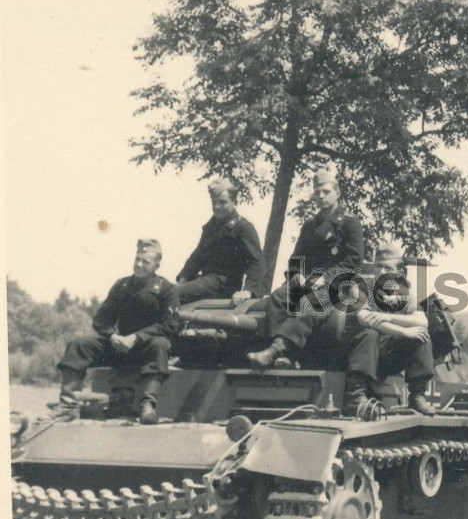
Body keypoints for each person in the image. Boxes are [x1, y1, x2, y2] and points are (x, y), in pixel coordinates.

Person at [246, 168, 364, 368]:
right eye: (317, 192)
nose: (321, 196)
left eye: (326, 192)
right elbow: (297, 257)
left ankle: (276, 350)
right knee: (278, 298)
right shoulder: (310, 225)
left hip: (337, 284)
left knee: (310, 304)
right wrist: (296, 273)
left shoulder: (349, 222)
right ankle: (287, 356)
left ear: (337, 193)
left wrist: (325, 278)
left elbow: (354, 260)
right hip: (307, 281)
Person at [54, 238, 180, 425]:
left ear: (157, 264)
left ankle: (147, 405)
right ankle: (67, 405)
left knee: (161, 344)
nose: (138, 264)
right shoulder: (122, 286)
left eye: (145, 261)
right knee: (79, 344)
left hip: (146, 350)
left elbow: (170, 325)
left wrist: (137, 337)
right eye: (137, 259)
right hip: (119, 347)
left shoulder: (167, 289)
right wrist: (113, 336)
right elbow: (101, 319)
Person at [343, 242, 435, 416]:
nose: (382, 272)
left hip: (384, 358)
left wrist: (388, 316)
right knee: (369, 334)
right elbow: (365, 319)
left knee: (422, 335)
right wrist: (404, 331)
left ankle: (417, 396)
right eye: (379, 266)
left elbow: (422, 321)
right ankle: (355, 398)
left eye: (387, 267)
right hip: (358, 358)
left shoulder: (402, 292)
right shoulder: (360, 287)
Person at [175, 178, 264, 305]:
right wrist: (183, 279)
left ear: (234, 202)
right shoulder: (210, 227)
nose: (217, 206)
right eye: (214, 202)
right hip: (206, 281)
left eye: (222, 202)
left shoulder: (243, 227)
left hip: (224, 285)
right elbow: (197, 256)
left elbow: (256, 262)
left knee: (173, 295)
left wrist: (248, 291)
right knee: (168, 291)